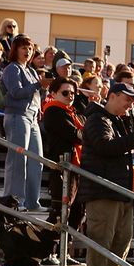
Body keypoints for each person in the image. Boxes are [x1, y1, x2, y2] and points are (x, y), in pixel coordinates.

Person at [77, 81, 134, 266]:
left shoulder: (119, 121)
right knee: (102, 239)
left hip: (122, 190)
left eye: (132, 101)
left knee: (122, 240)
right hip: (103, 191)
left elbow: (121, 149)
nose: (130, 105)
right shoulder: (97, 119)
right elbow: (105, 147)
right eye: (127, 99)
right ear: (112, 96)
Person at [0, 35, 46, 211]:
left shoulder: (32, 71)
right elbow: (16, 92)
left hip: (32, 119)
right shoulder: (12, 68)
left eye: (30, 48)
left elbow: (35, 95)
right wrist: (38, 85)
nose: (28, 51)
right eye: (23, 48)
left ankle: (32, 202)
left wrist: (43, 88)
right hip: (18, 116)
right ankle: (14, 201)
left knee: (36, 160)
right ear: (15, 50)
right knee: (18, 159)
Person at [40, 76, 85, 233]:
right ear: (53, 93)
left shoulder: (74, 112)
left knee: (77, 212)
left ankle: (64, 250)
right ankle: (50, 250)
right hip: (62, 167)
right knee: (60, 213)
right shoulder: (52, 110)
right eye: (65, 92)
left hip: (76, 166)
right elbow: (73, 134)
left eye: (73, 93)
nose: (70, 96)